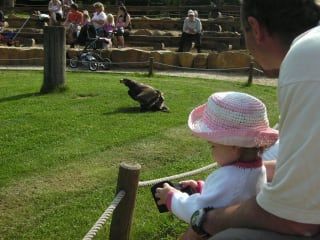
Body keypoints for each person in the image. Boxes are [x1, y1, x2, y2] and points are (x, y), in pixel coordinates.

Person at [183, 0, 320, 239]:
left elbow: (295, 220)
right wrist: (242, 173)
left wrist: (207, 219)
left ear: (254, 28)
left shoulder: (306, 54)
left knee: (227, 237)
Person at [156, 91, 278, 224]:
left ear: (234, 146)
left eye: (213, 146)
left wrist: (172, 197)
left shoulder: (229, 177)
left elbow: (199, 212)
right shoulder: (259, 169)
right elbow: (231, 197)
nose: (211, 151)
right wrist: (201, 188)